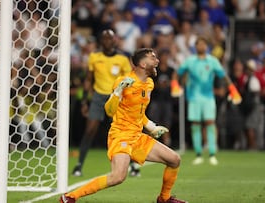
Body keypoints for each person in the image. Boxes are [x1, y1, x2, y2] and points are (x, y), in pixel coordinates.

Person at [60, 48, 187, 203]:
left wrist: (152, 127)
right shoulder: (123, 81)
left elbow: (138, 113)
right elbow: (109, 111)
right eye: (153, 57)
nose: (157, 61)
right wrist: (118, 92)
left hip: (137, 136)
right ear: (142, 63)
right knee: (118, 177)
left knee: (174, 159)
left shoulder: (149, 84)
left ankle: (164, 199)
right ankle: (69, 197)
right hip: (120, 135)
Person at [72, 29, 132, 177]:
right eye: (104, 39)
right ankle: (79, 165)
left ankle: (134, 165)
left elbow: (129, 81)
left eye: (109, 38)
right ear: (101, 41)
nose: (107, 41)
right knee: (89, 131)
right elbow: (88, 79)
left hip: (116, 97)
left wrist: (128, 100)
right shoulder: (94, 57)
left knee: (123, 133)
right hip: (98, 96)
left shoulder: (122, 59)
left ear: (114, 41)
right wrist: (85, 101)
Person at [177, 37, 242, 165]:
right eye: (198, 44)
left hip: (208, 98)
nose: (201, 46)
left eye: (203, 44)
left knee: (210, 123)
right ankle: (198, 154)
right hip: (194, 98)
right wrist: (176, 83)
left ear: (206, 46)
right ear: (195, 47)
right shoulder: (189, 61)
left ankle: (212, 153)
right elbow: (178, 73)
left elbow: (223, 76)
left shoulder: (212, 61)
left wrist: (232, 89)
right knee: (195, 125)